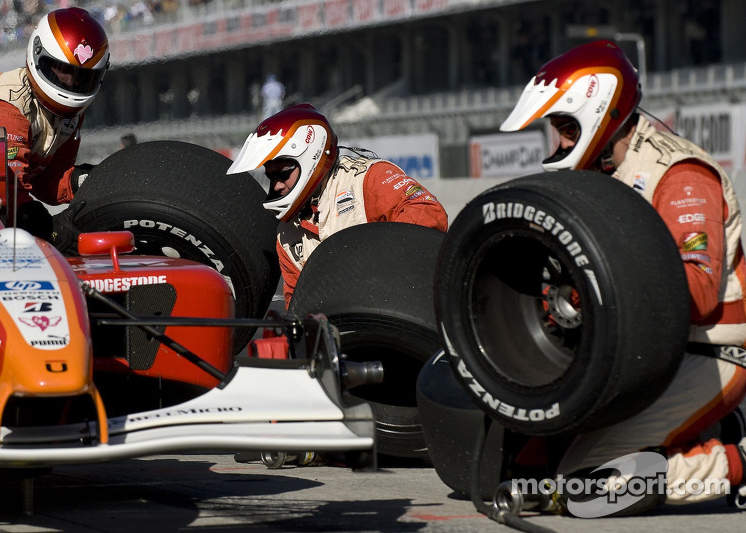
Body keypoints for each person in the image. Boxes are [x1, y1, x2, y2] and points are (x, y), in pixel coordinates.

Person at [500, 39, 746, 513]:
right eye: (558, 130)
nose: (562, 144)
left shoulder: (680, 175)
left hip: (710, 352)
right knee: (525, 468)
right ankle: (715, 429)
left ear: (601, 115)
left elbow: (695, 295)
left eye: (568, 128)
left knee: (583, 489)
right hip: (637, 355)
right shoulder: (600, 171)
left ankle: (734, 461)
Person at [227, 103, 449, 307]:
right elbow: (297, 305)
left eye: (283, 174)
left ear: (310, 157)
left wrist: (371, 267)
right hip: (344, 331)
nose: (276, 185)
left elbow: (430, 215)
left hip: (400, 308)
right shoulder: (286, 235)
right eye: (270, 176)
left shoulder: (366, 178)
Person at [0, 7, 109, 239]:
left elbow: (45, 180)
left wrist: (83, 181)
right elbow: (9, 194)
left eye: (82, 78)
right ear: (38, 54)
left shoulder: (69, 116)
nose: (70, 83)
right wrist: (46, 227)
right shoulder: (6, 109)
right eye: (61, 71)